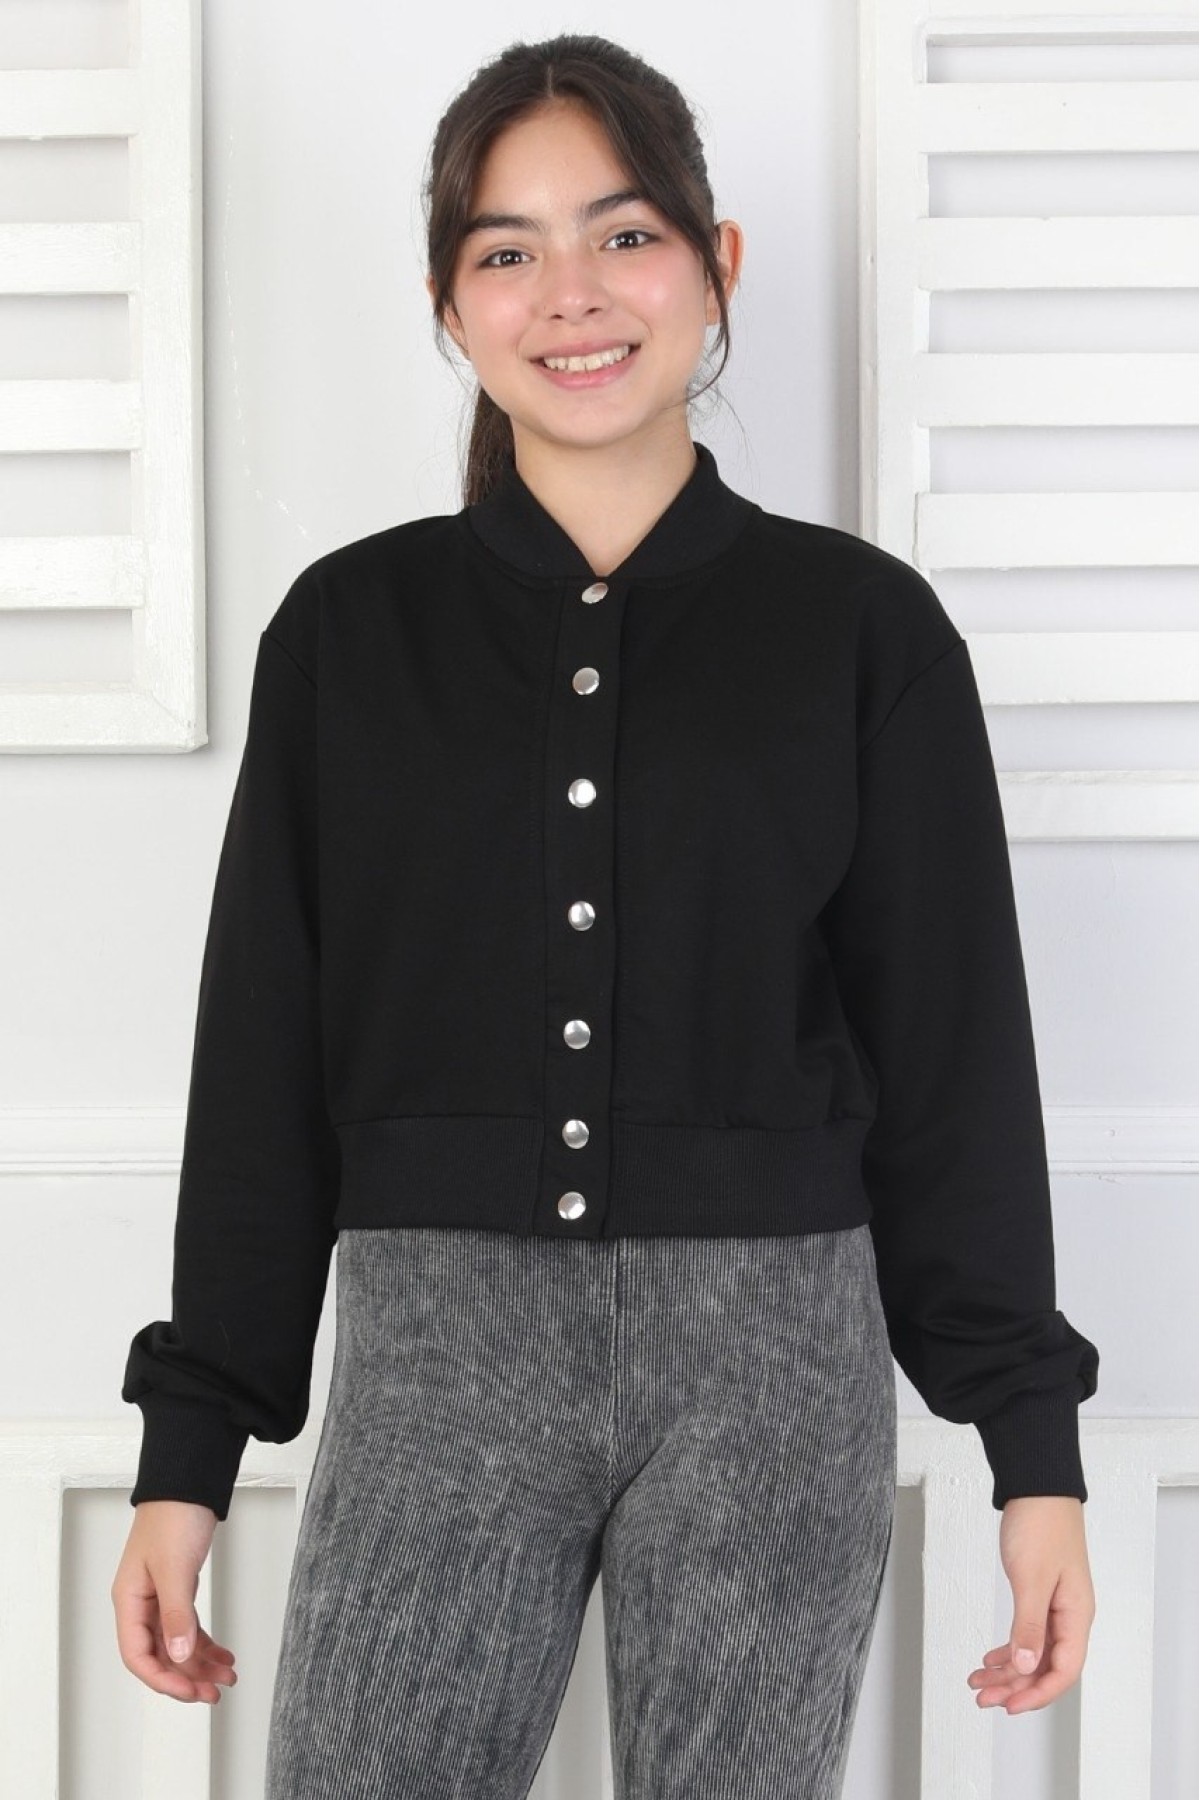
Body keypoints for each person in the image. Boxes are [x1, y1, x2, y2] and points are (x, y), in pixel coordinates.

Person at [110, 32, 1101, 1799]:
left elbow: (953, 1057)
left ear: (718, 269)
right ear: (449, 304)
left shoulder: (864, 634)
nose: (571, 293)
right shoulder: (346, 637)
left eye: (625, 234)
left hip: (772, 1357)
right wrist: (189, 1451)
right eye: (508, 250)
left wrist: (1034, 1455)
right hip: (437, 1349)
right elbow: (261, 1057)